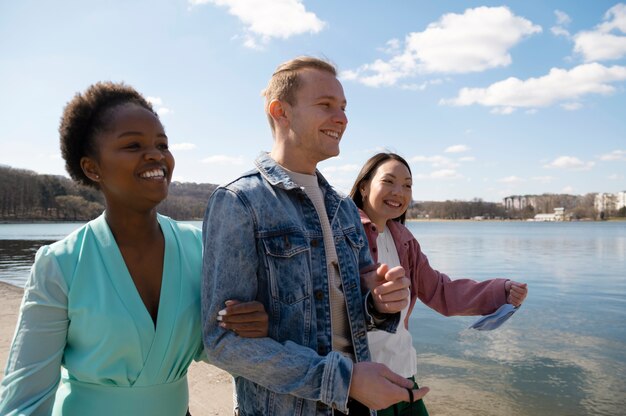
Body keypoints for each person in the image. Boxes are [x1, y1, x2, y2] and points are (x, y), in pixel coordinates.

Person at [0, 82, 267, 415]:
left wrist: (249, 326)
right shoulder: (60, 264)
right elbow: (26, 396)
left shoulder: (199, 247)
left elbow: (209, 346)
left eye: (162, 144)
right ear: (91, 167)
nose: (155, 154)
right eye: (133, 145)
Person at [201, 57, 429, 416]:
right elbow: (223, 344)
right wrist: (344, 380)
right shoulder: (240, 202)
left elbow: (356, 315)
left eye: (343, 107)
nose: (342, 118)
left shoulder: (343, 209)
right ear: (281, 112)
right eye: (325, 105)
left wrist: (381, 302)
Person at [349, 152, 529, 416]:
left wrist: (500, 291)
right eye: (388, 181)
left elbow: (442, 291)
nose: (399, 192)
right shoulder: (343, 234)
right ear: (364, 186)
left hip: (403, 372)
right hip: (363, 381)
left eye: (407, 185)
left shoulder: (405, 241)